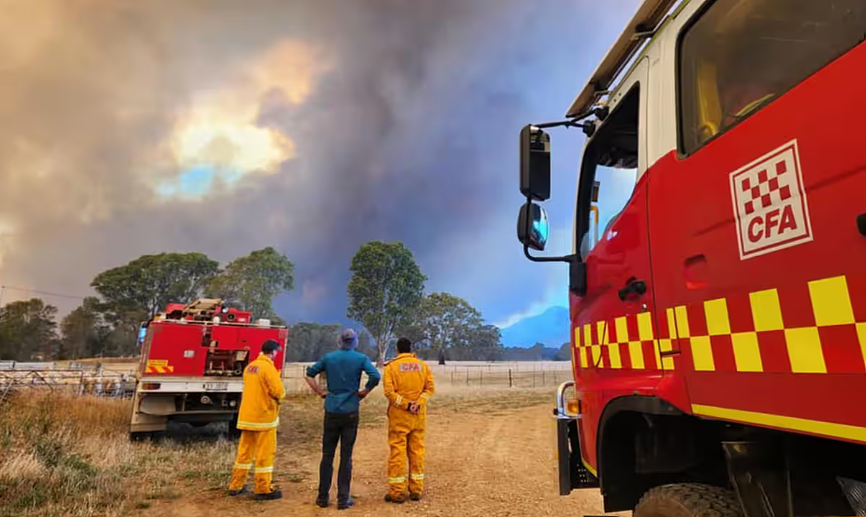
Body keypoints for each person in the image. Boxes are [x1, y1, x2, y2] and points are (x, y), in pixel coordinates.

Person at [305, 328, 381, 510]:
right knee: (346, 456)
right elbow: (376, 376)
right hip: (350, 411)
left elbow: (309, 375)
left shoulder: (329, 357)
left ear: (339, 341)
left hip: (331, 409)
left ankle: (322, 497)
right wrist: (364, 391)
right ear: (355, 342)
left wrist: (320, 392)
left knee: (327, 455)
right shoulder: (361, 358)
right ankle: (343, 498)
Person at [227, 339, 285, 500]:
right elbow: (278, 391)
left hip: (247, 417)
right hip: (263, 418)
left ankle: (236, 484)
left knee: (244, 453)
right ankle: (263, 488)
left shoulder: (250, 367)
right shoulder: (268, 368)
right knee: (265, 454)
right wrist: (280, 399)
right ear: (273, 352)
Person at [383, 337, 435, 503]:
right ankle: (416, 490)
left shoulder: (391, 367)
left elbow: (389, 393)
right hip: (418, 416)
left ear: (397, 350)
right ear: (410, 348)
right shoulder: (423, 366)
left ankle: (397, 493)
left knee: (398, 452)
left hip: (399, 417)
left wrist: (406, 405)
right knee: (417, 451)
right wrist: (417, 404)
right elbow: (429, 389)